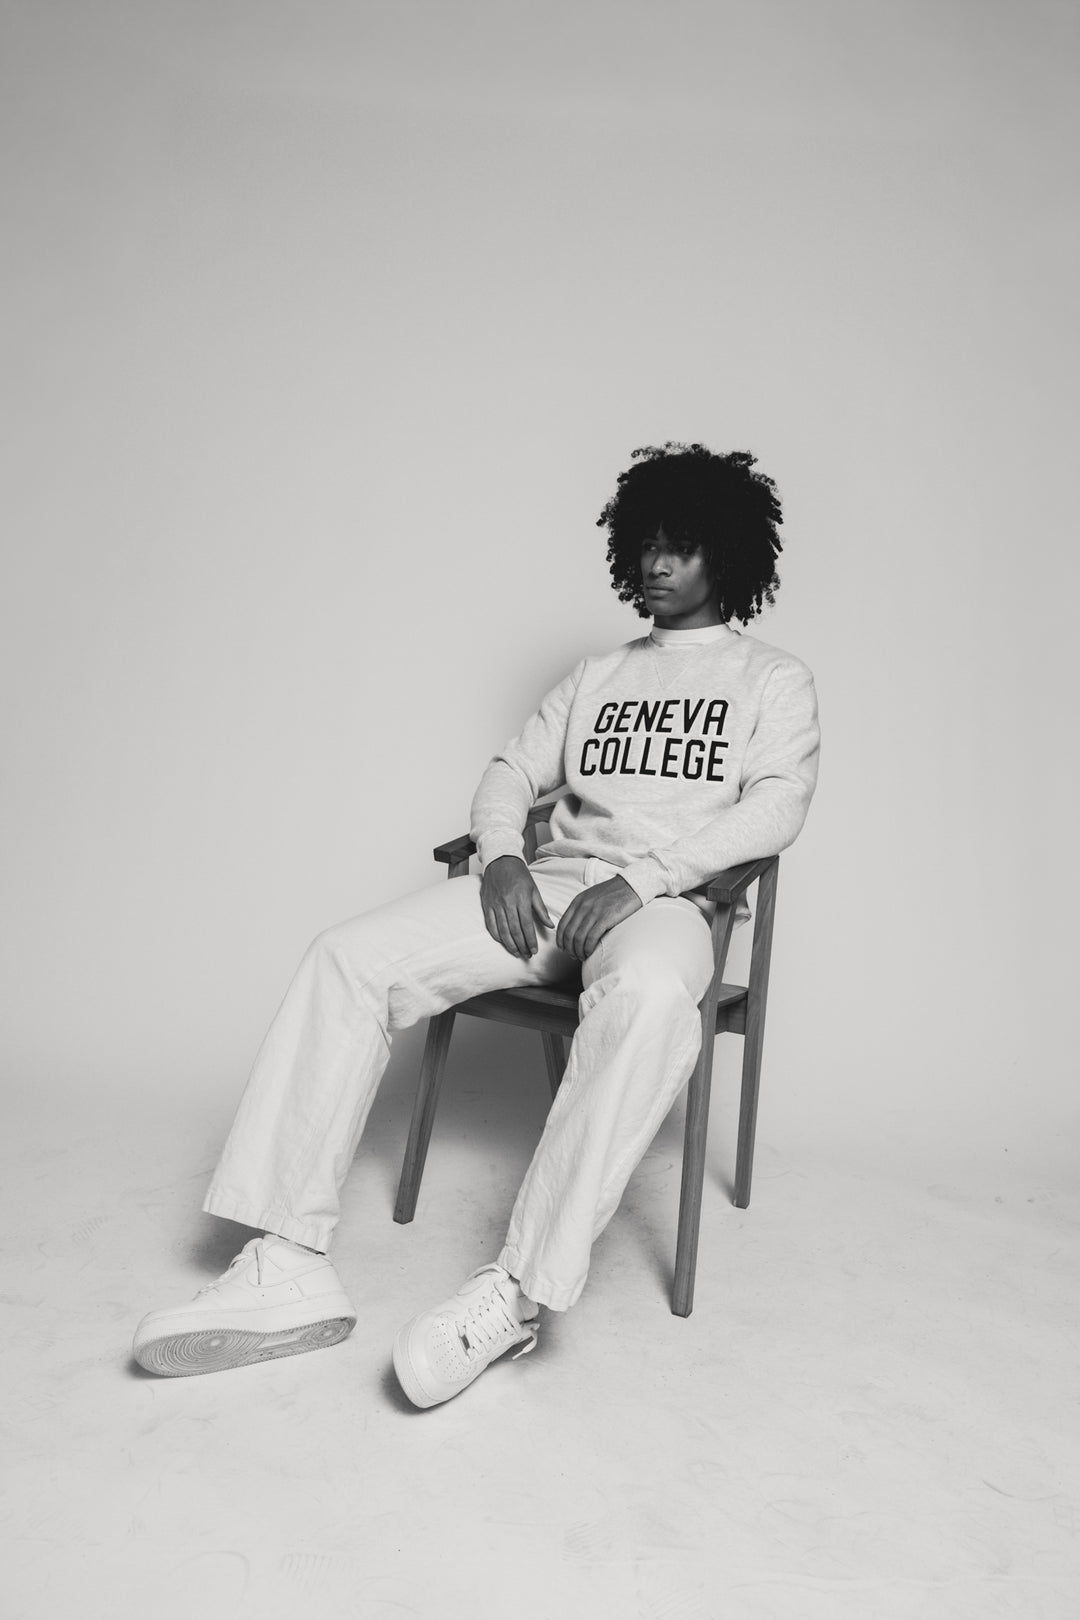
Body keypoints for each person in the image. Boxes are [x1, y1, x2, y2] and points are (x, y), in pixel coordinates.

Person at [132, 441, 820, 1407]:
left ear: (730, 556)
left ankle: (517, 1295)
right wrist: (502, 856)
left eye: (686, 548)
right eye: (650, 546)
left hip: (662, 908)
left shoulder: (771, 681)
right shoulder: (596, 676)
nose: (661, 566)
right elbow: (510, 774)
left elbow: (778, 808)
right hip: (546, 892)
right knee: (349, 957)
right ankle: (286, 1260)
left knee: (656, 995)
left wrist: (649, 878)